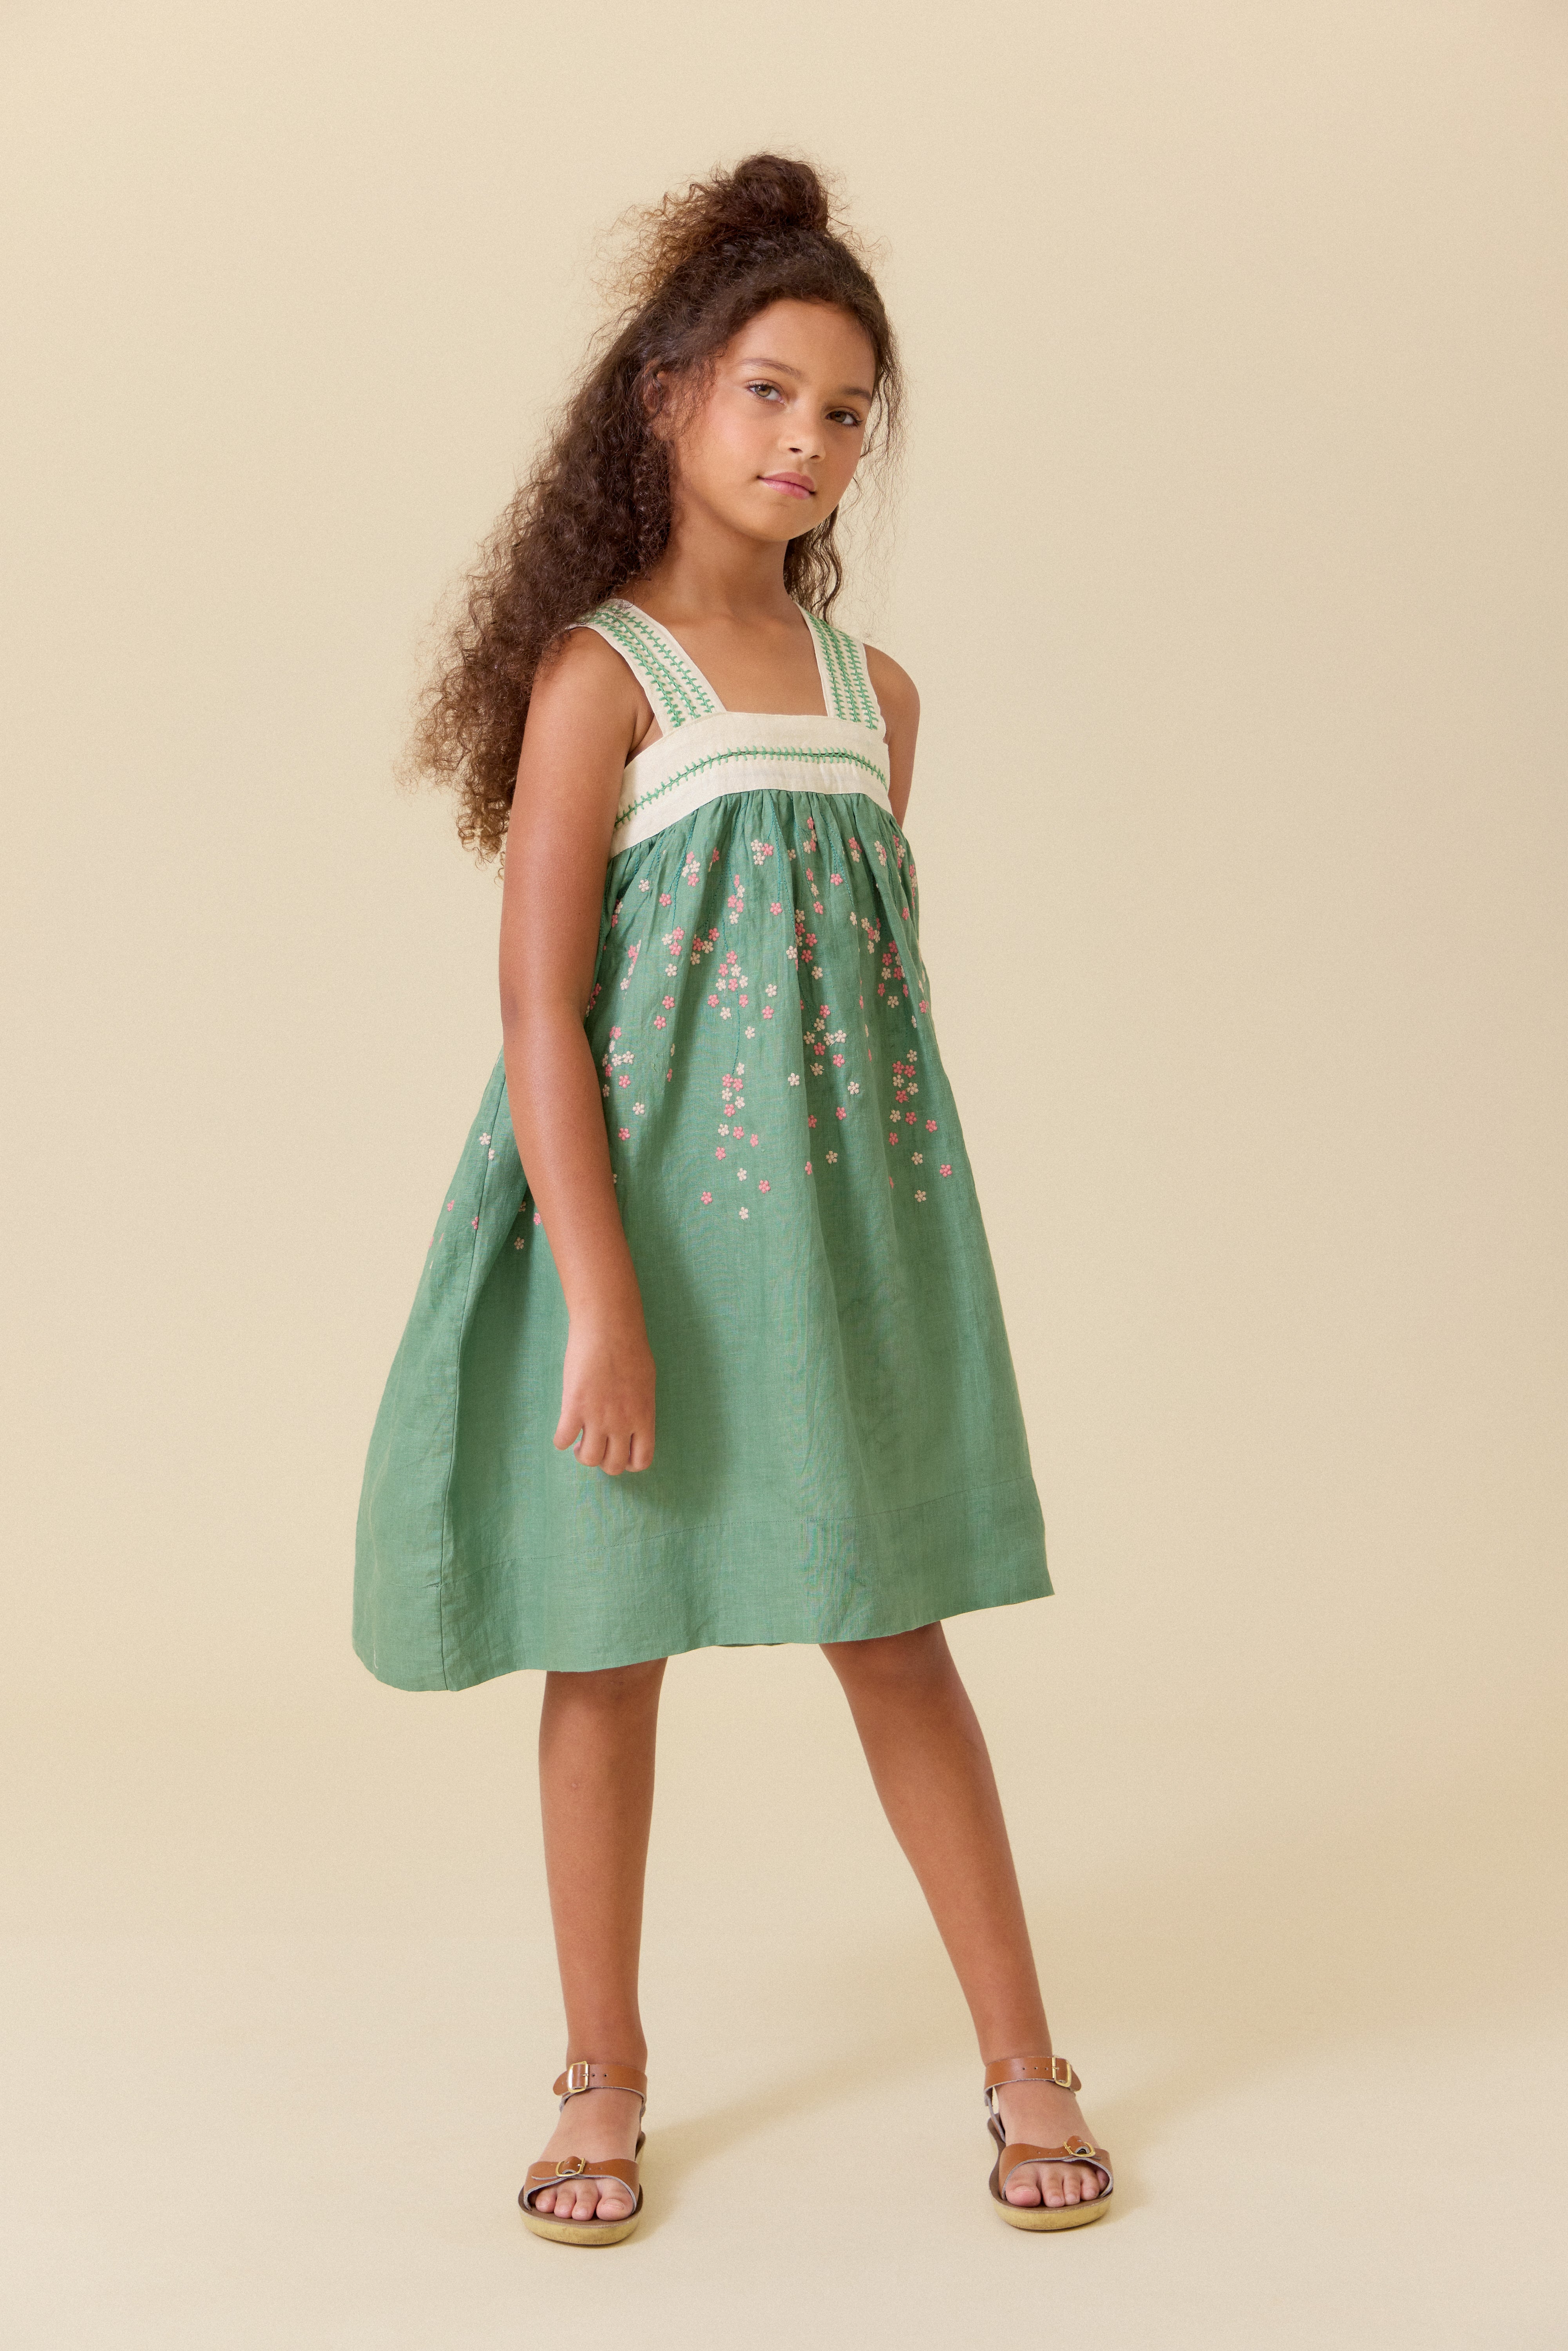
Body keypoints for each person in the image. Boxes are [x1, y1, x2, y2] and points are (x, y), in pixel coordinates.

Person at [353, 151, 1113, 2243]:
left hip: (836, 1252)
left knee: (895, 1635)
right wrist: (601, 1300)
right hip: (637, 1245)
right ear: (670, 395)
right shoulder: (601, 676)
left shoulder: (878, 699)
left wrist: (878, 1267)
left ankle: (1023, 2057)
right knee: (606, 1652)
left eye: (847, 411)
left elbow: (843, 1005)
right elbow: (542, 1008)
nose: (807, 439)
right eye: (771, 391)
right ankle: (599, 2077)